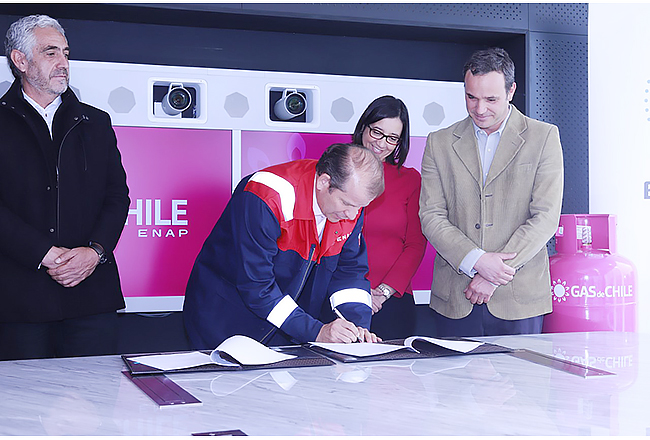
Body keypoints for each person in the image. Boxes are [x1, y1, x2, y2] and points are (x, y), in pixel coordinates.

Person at [0, 15, 130, 360]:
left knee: (96, 406)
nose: (63, 63)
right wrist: (42, 252)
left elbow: (117, 197)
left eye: (66, 53)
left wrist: (95, 252)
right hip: (18, 300)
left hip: (91, 297)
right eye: (51, 53)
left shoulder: (96, 122)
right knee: (23, 409)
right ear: (21, 60)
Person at [419, 47, 564, 337]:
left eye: (491, 99)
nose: (480, 109)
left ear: (512, 91)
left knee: (521, 382)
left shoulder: (543, 137)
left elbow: (545, 217)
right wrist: (476, 261)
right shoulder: (440, 142)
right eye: (471, 97)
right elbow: (431, 215)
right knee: (454, 383)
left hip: (519, 300)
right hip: (455, 299)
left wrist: (494, 274)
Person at [184, 143, 384, 348]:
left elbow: (350, 272)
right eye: (347, 204)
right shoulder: (265, 197)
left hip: (289, 324)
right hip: (225, 323)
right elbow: (257, 286)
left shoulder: (351, 203)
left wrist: (357, 328)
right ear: (324, 182)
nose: (352, 215)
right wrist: (316, 331)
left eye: (360, 207)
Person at [352, 96, 426, 340]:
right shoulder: (336, 169)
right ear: (364, 126)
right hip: (341, 297)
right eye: (377, 132)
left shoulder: (410, 180)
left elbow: (416, 244)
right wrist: (359, 293)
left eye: (392, 138)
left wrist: (382, 293)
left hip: (392, 300)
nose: (381, 143)